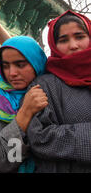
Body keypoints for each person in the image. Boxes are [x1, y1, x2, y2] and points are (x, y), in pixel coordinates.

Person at [26, 10, 91, 172]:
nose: (73, 45)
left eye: (80, 36)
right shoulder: (44, 85)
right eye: (63, 40)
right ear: (54, 45)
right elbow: (39, 137)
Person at [0, 36, 48, 173]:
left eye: (20, 65)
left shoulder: (54, 91)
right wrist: (24, 114)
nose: (12, 73)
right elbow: (2, 160)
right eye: (5, 66)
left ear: (36, 63)